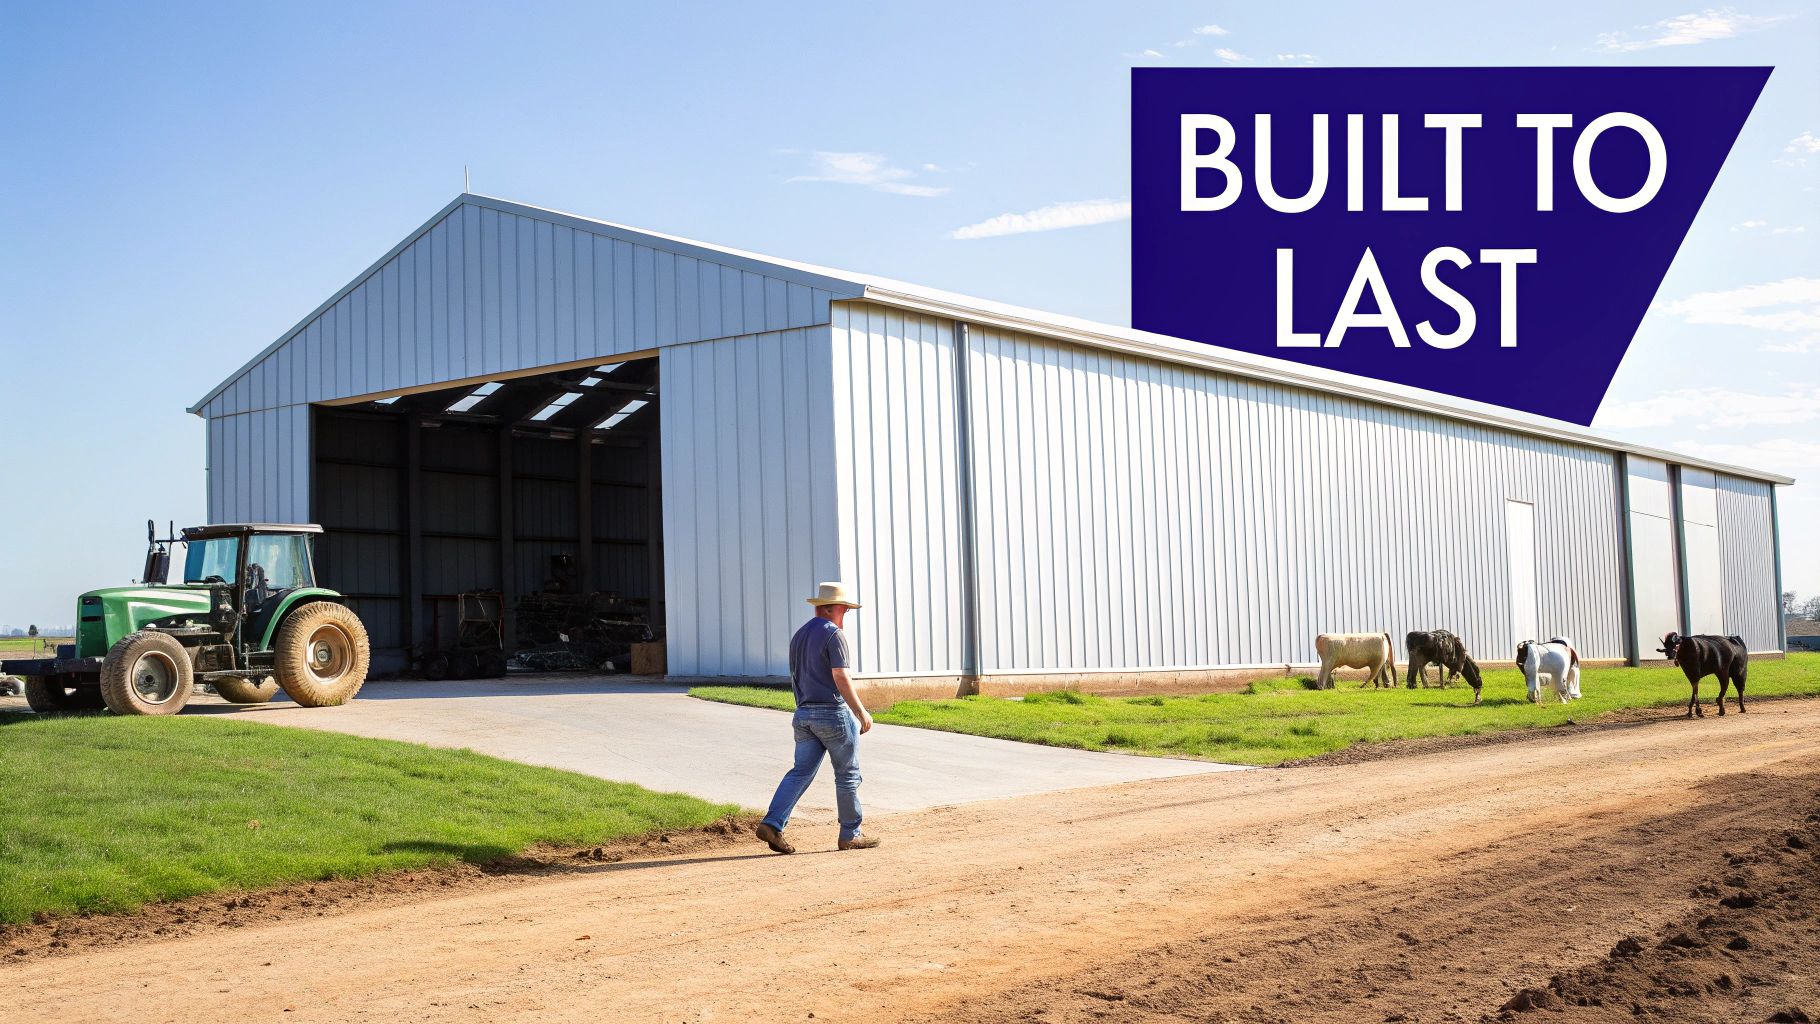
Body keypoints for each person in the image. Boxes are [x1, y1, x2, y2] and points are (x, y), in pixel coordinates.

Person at [754, 582, 879, 853]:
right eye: (844, 610)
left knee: (800, 772)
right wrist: (860, 711)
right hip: (832, 713)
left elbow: (796, 676)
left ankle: (773, 823)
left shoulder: (799, 636)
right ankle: (850, 834)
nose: (844, 616)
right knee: (847, 774)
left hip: (804, 714)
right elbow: (840, 675)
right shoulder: (833, 635)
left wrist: (804, 710)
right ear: (833, 609)